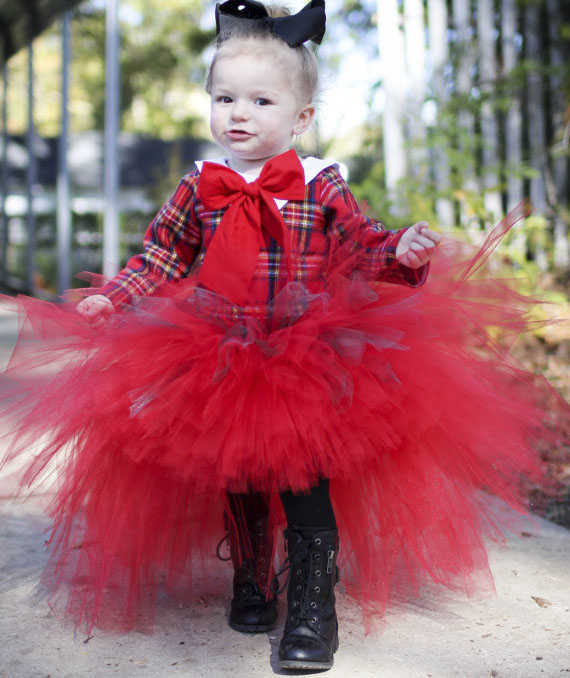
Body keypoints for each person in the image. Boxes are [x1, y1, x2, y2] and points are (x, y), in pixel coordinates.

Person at [1, 0, 566, 674]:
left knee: (303, 478)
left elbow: (358, 244)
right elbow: (160, 257)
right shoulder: (197, 187)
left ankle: (311, 600)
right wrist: (110, 297)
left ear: (301, 117)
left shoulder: (319, 181)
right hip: (213, 349)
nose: (238, 114)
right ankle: (251, 574)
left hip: (300, 351)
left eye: (260, 100)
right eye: (224, 98)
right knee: (236, 471)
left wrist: (402, 251)